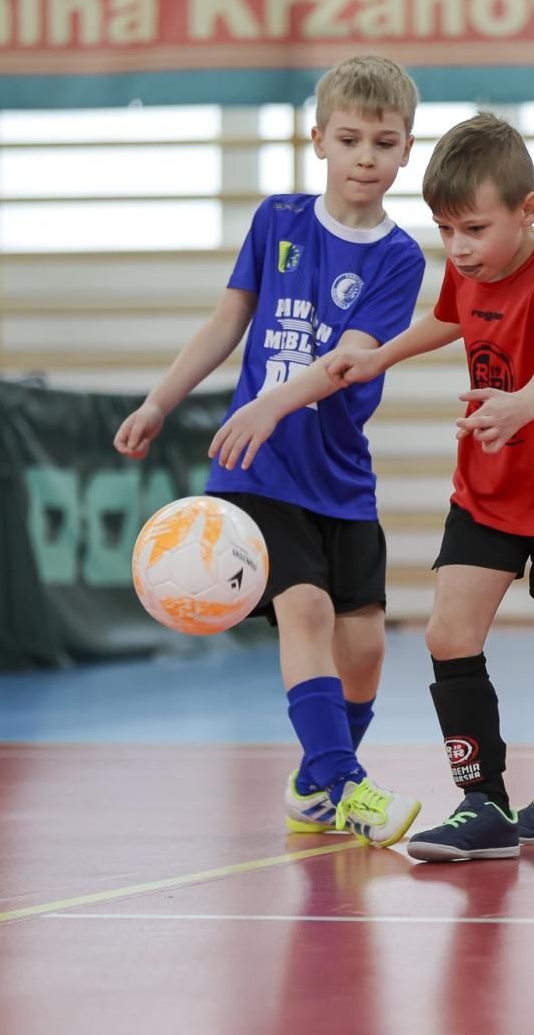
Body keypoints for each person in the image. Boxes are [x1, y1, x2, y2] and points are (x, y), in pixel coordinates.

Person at [113, 55, 427, 847]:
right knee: (308, 611)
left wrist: (271, 400)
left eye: (384, 143)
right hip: (259, 471)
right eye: (350, 139)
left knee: (362, 645)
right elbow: (226, 324)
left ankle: (317, 777)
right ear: (316, 139)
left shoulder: (399, 258)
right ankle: (350, 788)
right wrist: (160, 401)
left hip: (342, 476)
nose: (366, 157)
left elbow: (347, 358)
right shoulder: (276, 222)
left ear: (406, 151)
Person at [327, 112, 534, 862]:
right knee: (447, 634)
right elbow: (446, 321)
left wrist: (522, 403)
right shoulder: (469, 272)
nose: (458, 249)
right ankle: (483, 803)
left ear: (530, 211)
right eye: (444, 231)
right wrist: (379, 358)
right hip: (487, 492)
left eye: (473, 229)